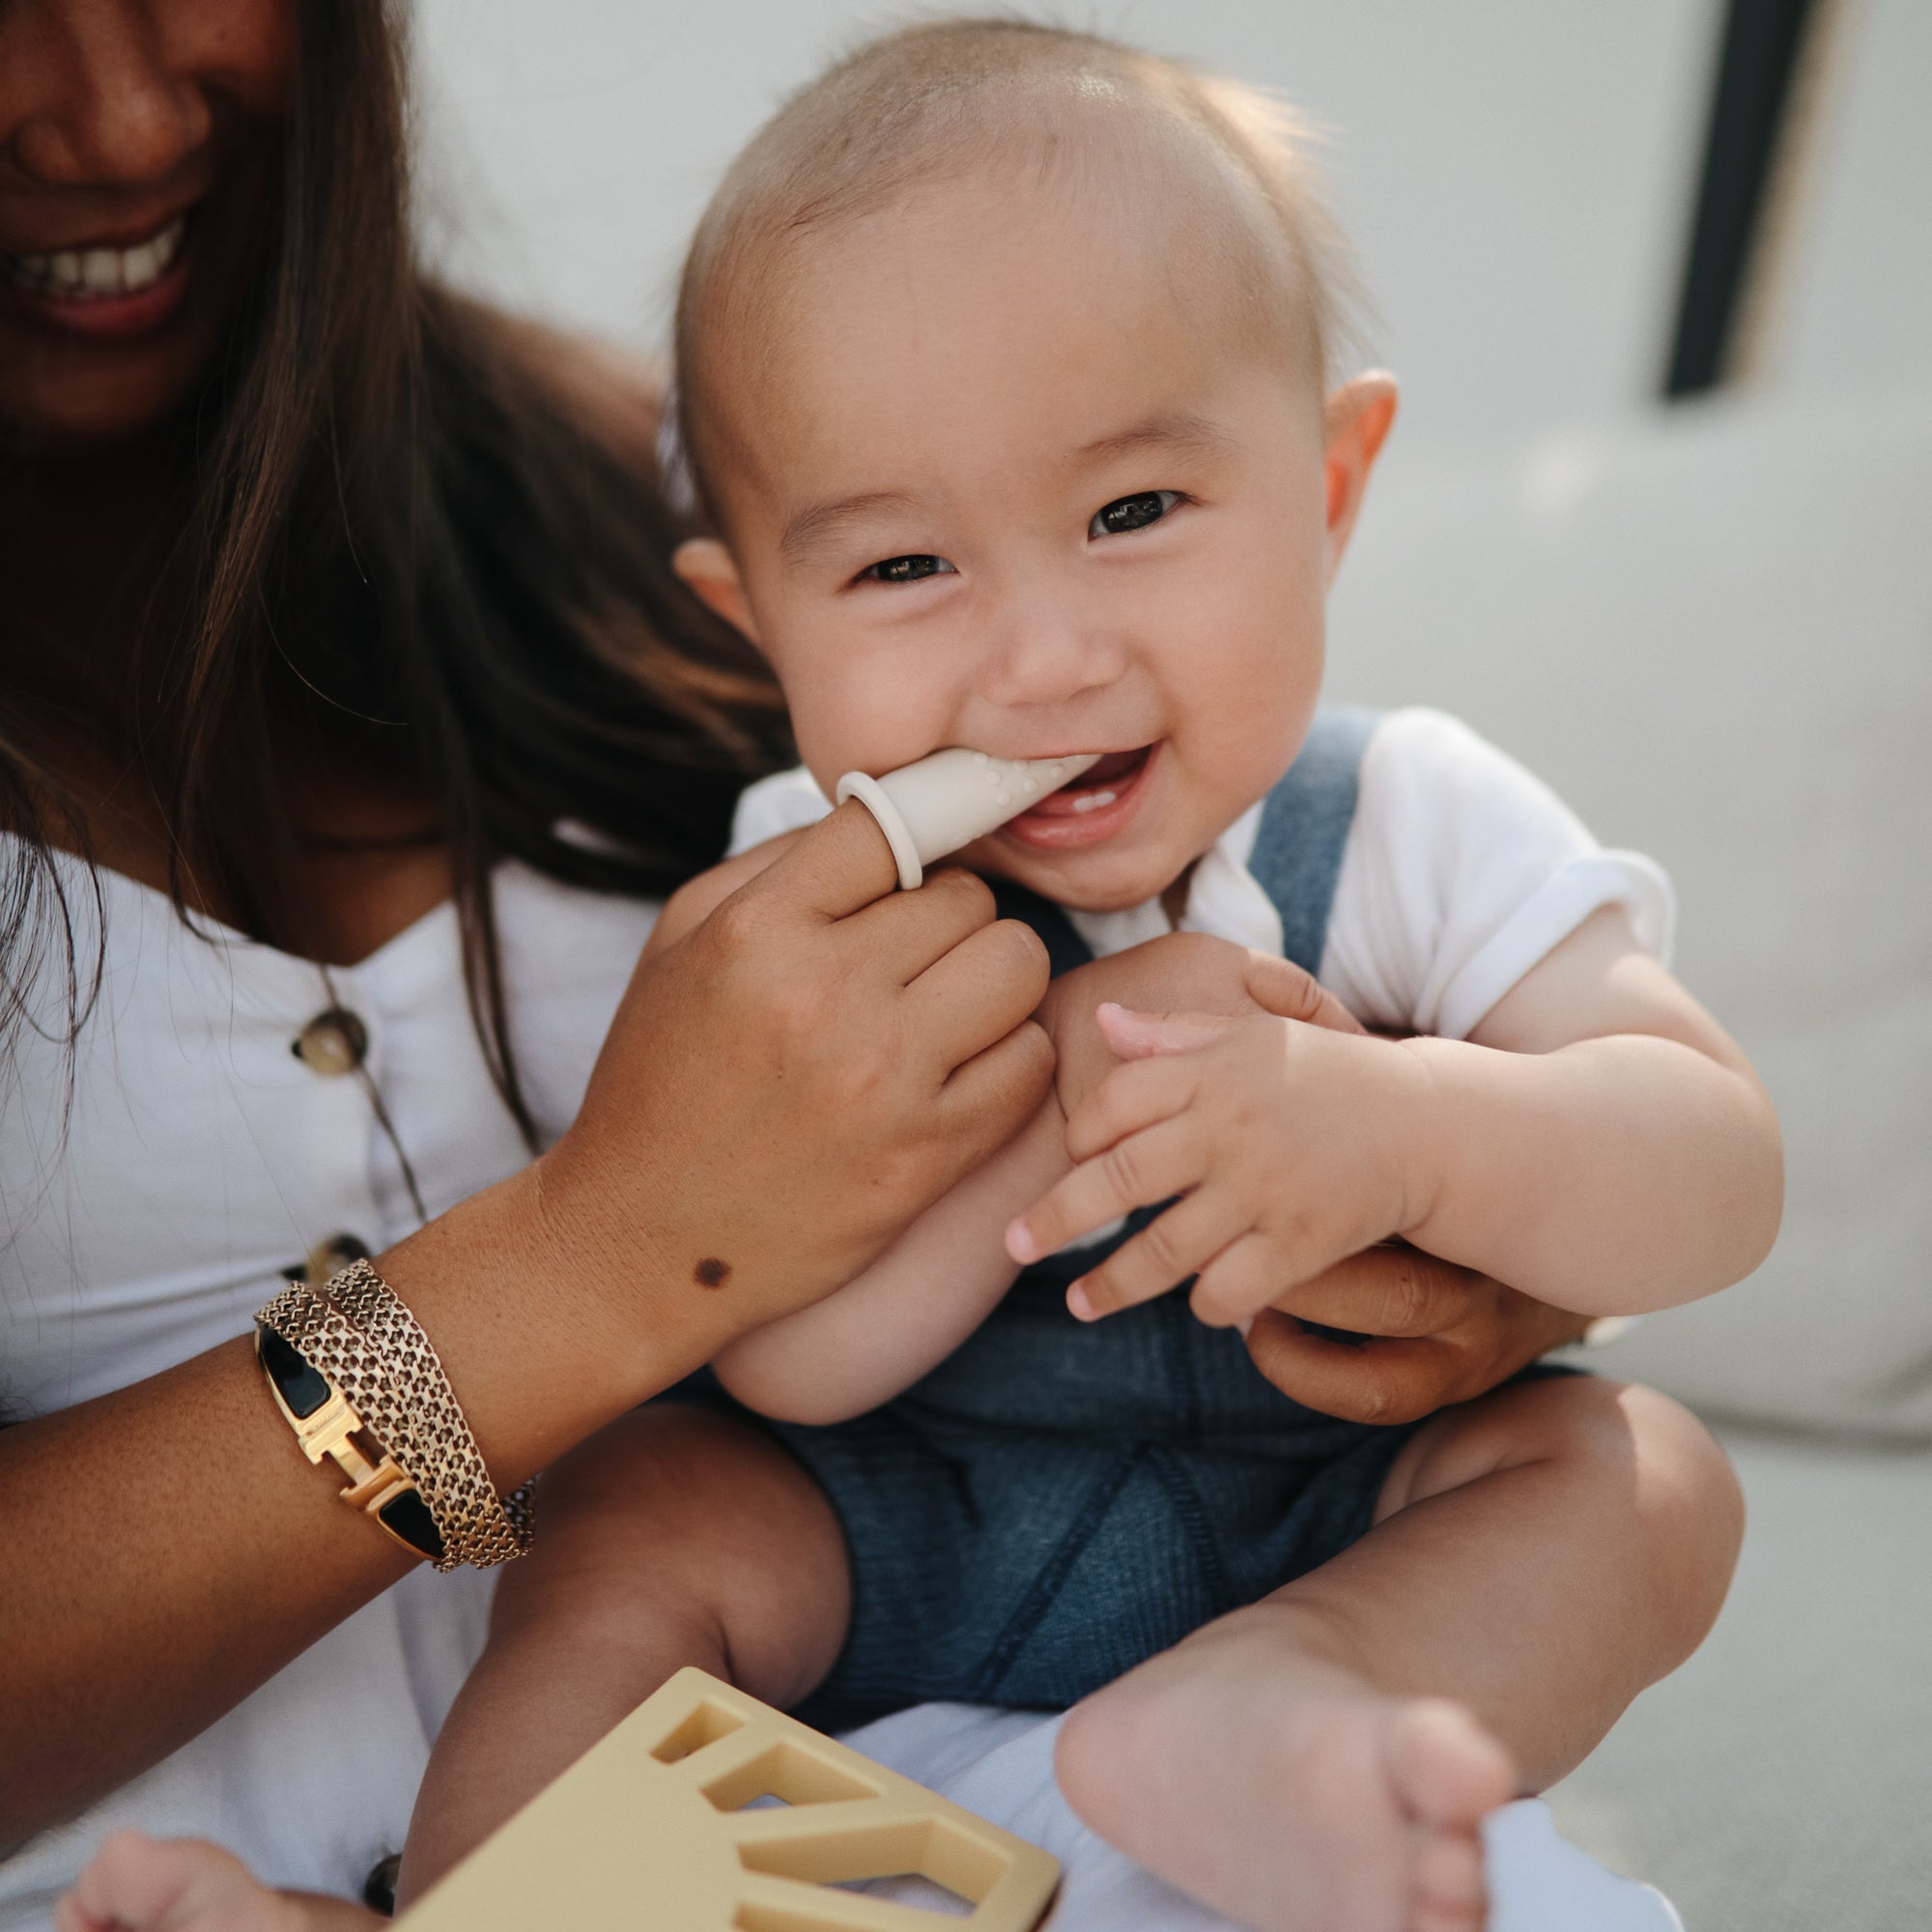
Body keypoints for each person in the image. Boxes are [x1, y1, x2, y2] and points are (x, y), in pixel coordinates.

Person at [82, 20, 1770, 1932]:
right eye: (900, 571)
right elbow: (792, 1356)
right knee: (637, 1515)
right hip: (886, 1530)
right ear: (753, 619)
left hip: (1318, 1525)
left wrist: (1402, 1126)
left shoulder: (1403, 817)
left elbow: (1710, 1173)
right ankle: (485, 1900)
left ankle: (1275, 1708)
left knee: (1635, 1473)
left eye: (1133, 514)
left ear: (1331, 484)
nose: (1041, 658)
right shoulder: (804, 889)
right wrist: (1055, 1074)